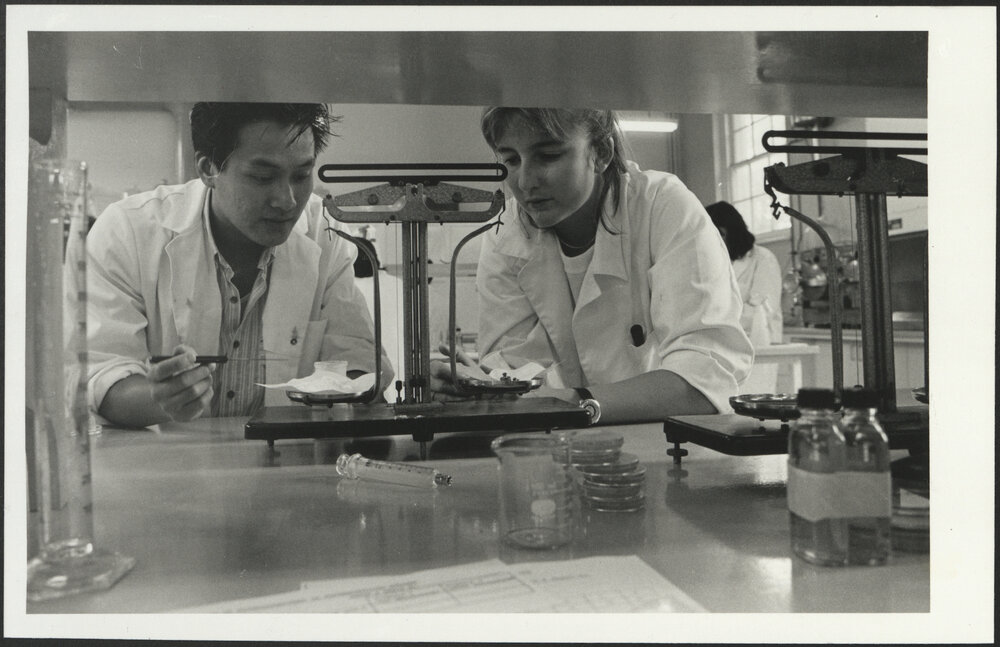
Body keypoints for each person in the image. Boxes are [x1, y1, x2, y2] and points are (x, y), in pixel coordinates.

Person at [73, 102, 392, 428]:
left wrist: (356, 387)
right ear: (208, 169)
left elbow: (360, 365)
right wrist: (161, 398)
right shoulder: (128, 231)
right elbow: (99, 375)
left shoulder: (326, 234)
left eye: (301, 175)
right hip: (165, 466)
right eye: (263, 177)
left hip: (285, 463)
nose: (287, 200)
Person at [429, 107, 752, 424]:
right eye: (511, 160)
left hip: (665, 438)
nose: (525, 181)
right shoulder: (507, 235)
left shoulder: (662, 206)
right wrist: (476, 385)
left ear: (600, 152)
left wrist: (574, 401)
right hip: (555, 449)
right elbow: (511, 371)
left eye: (548, 155)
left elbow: (705, 379)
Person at [705, 201, 784, 348]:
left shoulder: (763, 258)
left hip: (757, 343)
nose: (713, 241)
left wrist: (715, 323)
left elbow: (762, 311)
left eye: (719, 234)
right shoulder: (712, 263)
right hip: (721, 344)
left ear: (733, 232)